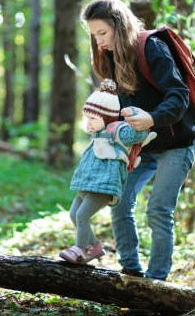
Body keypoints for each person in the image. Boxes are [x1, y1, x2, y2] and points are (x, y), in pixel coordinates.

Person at [81, 0, 195, 280]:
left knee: (158, 209)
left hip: (176, 142)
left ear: (119, 27)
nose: (99, 42)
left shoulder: (152, 48)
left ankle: (156, 281)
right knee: (119, 202)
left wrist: (153, 118)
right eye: (93, 36)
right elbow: (114, 107)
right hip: (139, 145)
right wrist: (99, 122)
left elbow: (179, 94)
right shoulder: (109, 58)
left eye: (103, 33)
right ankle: (131, 273)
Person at [59, 79, 156, 264]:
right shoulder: (96, 134)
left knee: (82, 215)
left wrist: (135, 115)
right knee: (74, 214)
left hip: (104, 185)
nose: (88, 123)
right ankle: (94, 247)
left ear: (107, 118)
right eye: (87, 118)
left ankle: (79, 249)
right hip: (88, 183)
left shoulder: (116, 131)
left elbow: (139, 133)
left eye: (92, 119)